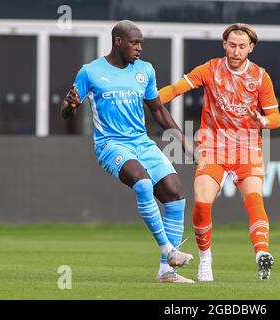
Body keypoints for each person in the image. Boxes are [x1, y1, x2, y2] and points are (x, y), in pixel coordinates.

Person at [61, 20, 195, 283]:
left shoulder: (145, 70)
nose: (139, 48)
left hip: (141, 142)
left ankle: (166, 272)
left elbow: (158, 110)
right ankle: (169, 251)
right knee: (143, 184)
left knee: (175, 193)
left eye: (141, 43)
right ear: (118, 41)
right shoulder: (90, 72)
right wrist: (71, 106)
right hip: (110, 144)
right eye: (134, 43)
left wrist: (184, 141)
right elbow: (67, 107)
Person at [159, 23, 280, 281]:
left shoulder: (260, 77)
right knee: (202, 204)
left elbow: (276, 117)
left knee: (255, 200)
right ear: (224, 45)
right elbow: (177, 88)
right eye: (232, 45)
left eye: (242, 46)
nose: (236, 51)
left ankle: (261, 254)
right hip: (213, 146)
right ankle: (206, 259)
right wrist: (150, 98)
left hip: (247, 147)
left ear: (251, 48)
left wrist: (264, 122)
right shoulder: (210, 69)